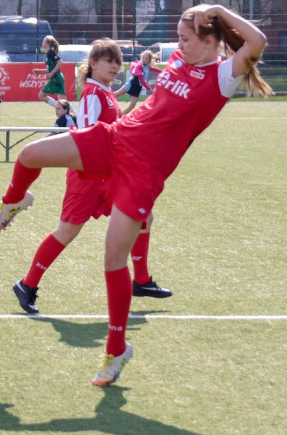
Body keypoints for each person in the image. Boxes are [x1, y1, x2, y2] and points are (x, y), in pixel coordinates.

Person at [0, 5, 272, 386]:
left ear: (209, 42)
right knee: (29, 155)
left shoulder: (222, 75)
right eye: (178, 38)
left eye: (185, 39)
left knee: (112, 258)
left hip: (143, 172)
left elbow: (257, 42)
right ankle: (14, 200)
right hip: (115, 138)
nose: (177, 45)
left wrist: (219, 10)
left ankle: (116, 348)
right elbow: (189, 31)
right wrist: (196, 13)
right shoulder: (181, 58)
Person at [13, 40, 170, 315]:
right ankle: (27, 285)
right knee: (67, 232)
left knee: (143, 216)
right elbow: (86, 136)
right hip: (87, 176)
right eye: (108, 61)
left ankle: (142, 280)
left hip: (109, 174)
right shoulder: (92, 94)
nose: (114, 66)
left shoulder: (106, 91)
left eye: (117, 62)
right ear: (93, 64)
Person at [115, 50, 159, 117]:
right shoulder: (139, 66)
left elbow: (154, 69)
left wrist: (165, 71)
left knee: (132, 105)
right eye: (143, 57)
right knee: (116, 94)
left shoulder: (147, 66)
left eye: (146, 58)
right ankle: (105, 100)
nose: (144, 60)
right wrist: (148, 88)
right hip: (131, 84)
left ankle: (119, 117)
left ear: (149, 60)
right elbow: (141, 79)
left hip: (137, 88)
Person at [38, 35, 66, 104]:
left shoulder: (50, 53)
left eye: (43, 41)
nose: (42, 43)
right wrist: (38, 71)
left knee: (41, 95)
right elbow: (50, 69)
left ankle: (58, 107)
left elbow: (60, 63)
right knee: (63, 102)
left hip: (55, 79)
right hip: (59, 78)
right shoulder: (48, 53)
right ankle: (73, 114)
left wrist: (51, 74)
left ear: (47, 44)